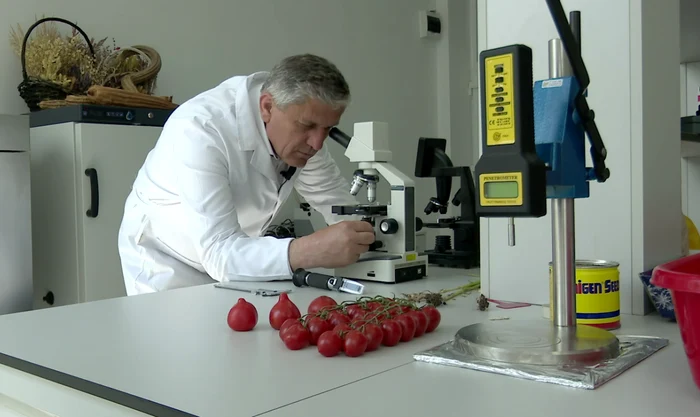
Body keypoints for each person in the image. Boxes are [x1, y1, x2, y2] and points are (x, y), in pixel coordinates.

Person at [117, 54, 376, 295]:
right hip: (167, 262)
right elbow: (219, 253)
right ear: (267, 107)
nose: (318, 144)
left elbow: (338, 203)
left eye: (328, 129)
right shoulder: (200, 131)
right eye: (307, 126)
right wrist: (308, 250)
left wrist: (372, 237)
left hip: (233, 258)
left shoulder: (301, 124)